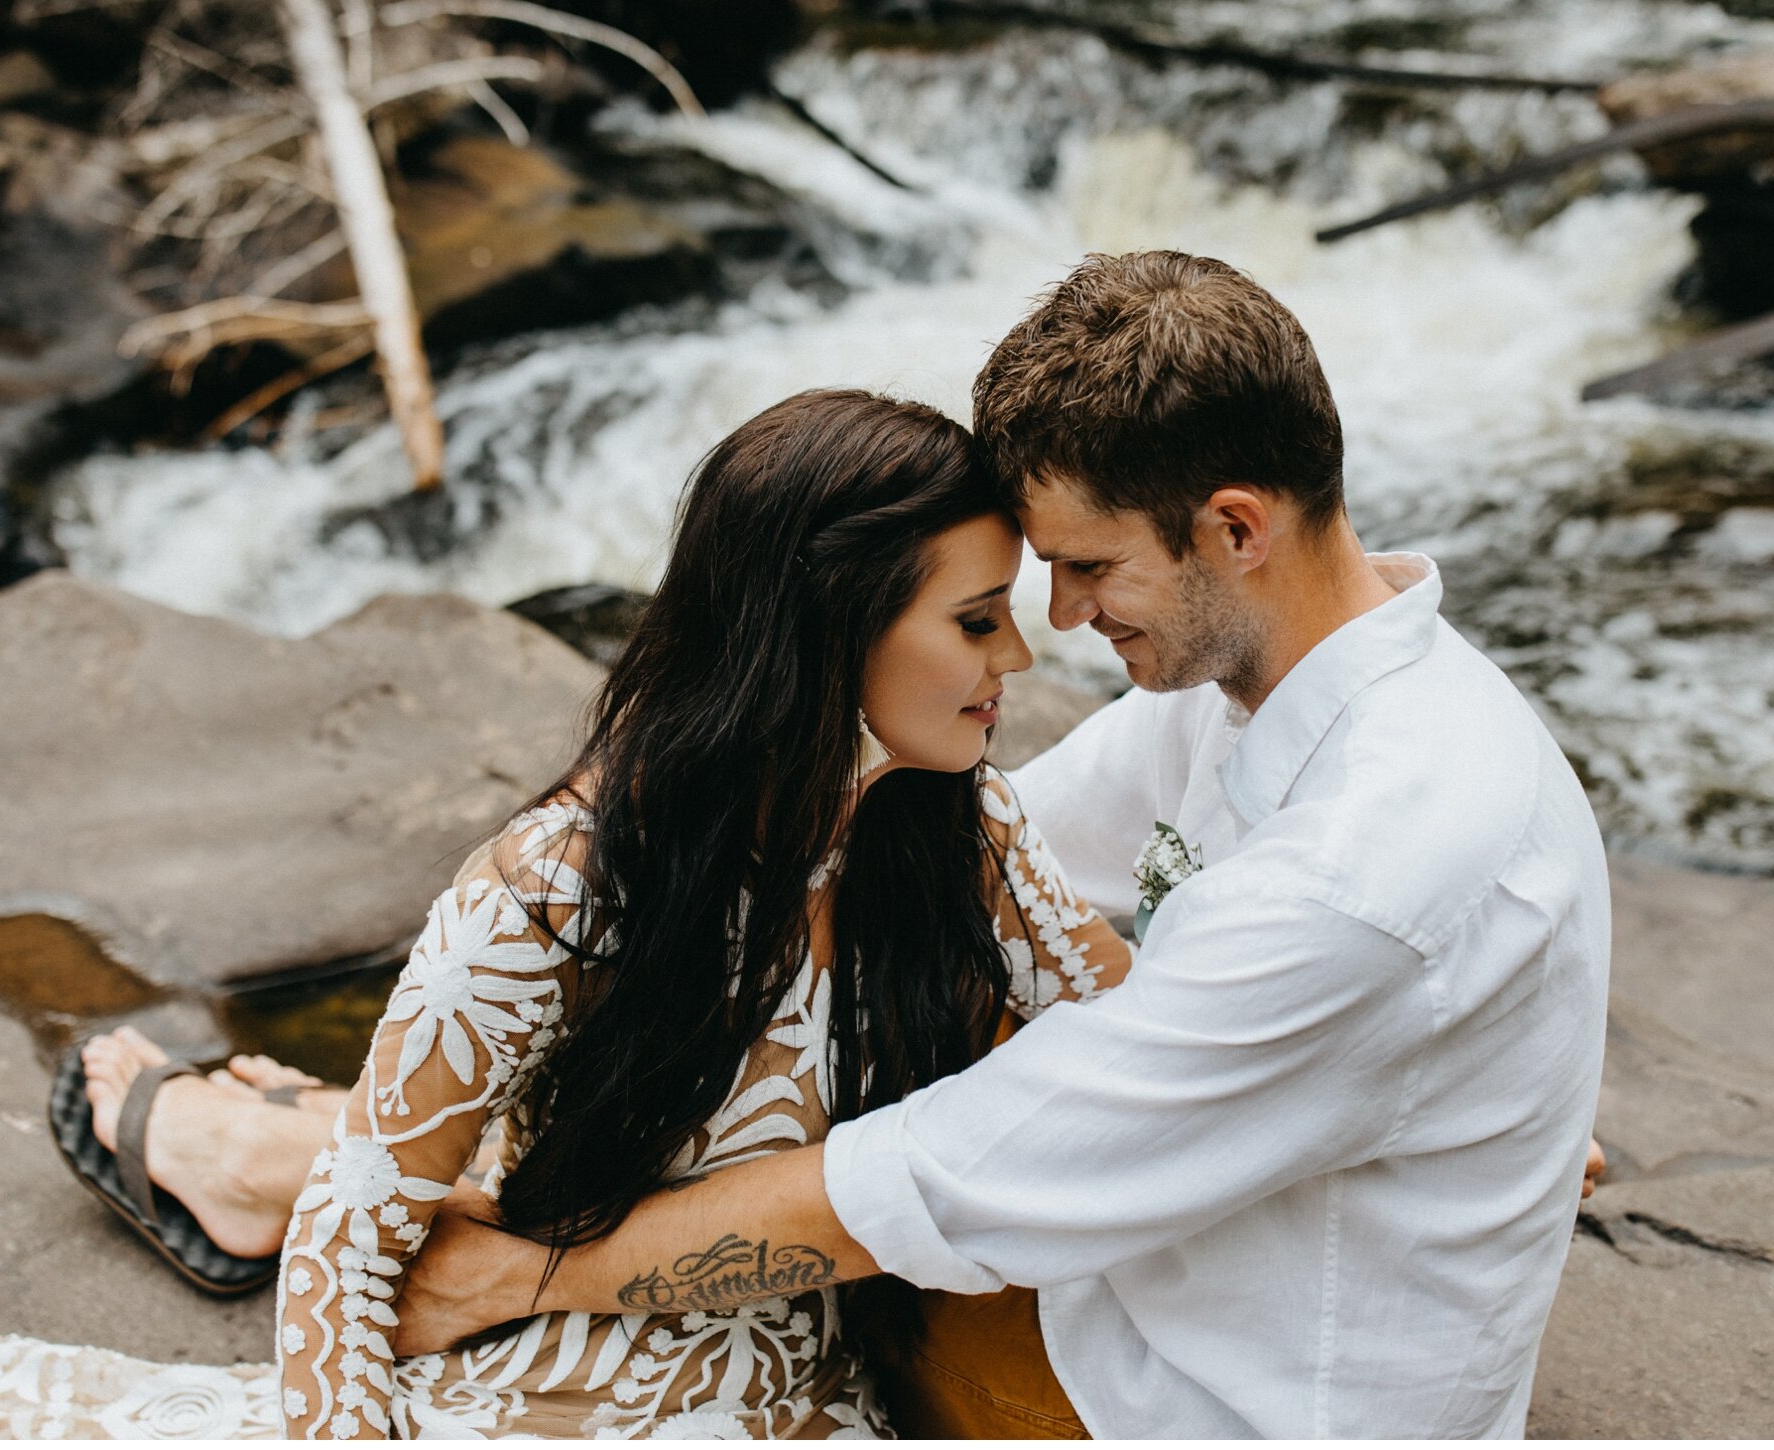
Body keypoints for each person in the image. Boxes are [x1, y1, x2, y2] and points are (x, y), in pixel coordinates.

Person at [388, 251, 1614, 1439]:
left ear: (1236, 527)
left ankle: (357, 1181)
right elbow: (974, 857)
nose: (1063, 620)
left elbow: (938, 1181)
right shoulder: (1257, 680)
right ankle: (371, 1154)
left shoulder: (1373, 873)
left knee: (880, 1046)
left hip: (1187, 1397)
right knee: (888, 936)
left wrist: (527, 1277)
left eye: (1088, 568)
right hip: (1177, 1267)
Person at [56, 389, 1133, 1437]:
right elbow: (350, 1245)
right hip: (563, 1391)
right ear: (829, 626)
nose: (1020, 659)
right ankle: (267, 1156)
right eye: (976, 619)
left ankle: (275, 1143)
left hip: (808, 1396)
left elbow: (1146, 1057)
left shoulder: (962, 829)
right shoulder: (559, 883)